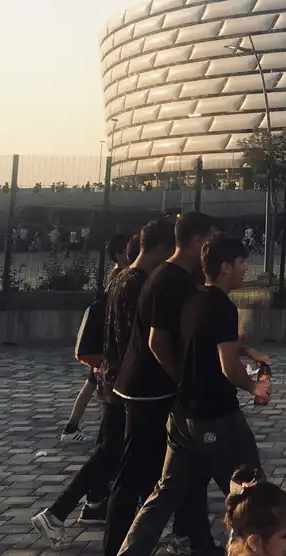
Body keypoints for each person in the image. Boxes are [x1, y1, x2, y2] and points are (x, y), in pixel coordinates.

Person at [116, 235, 272, 556]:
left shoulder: (193, 299)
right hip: (216, 415)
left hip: (182, 413)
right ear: (227, 267)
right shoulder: (223, 307)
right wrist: (254, 386)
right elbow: (228, 366)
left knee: (164, 494)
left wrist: (245, 349)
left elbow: (201, 342)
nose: (246, 269)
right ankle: (264, 547)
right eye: (243, 263)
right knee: (253, 490)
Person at [31, 222, 175, 548]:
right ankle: (143, 527)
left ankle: (62, 513)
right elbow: (137, 340)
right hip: (130, 386)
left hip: (113, 381)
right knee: (127, 463)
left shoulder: (119, 280)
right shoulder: (137, 284)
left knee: (114, 456)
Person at [104, 211, 215, 556]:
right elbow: (156, 341)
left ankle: (197, 541)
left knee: (187, 471)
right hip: (148, 391)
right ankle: (117, 548)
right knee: (135, 477)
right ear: (196, 240)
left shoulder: (168, 276)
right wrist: (183, 380)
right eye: (209, 239)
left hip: (152, 387)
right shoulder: (167, 280)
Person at [60, 233, 133, 444]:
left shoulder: (115, 274)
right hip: (108, 345)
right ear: (120, 252)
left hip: (105, 344)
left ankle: (72, 427)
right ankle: (78, 430)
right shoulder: (121, 276)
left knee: (91, 385)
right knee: (104, 392)